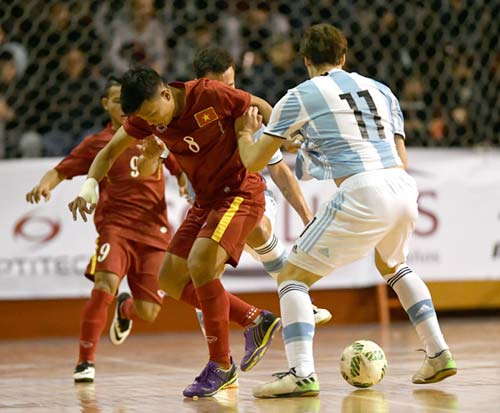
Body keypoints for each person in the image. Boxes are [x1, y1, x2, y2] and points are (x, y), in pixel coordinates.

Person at [234, 24, 457, 398]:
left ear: (306, 60)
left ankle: (301, 372)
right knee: (394, 266)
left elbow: (255, 161)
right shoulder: (382, 91)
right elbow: (399, 157)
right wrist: (312, 148)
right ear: (344, 56)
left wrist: (244, 134)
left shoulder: (300, 95)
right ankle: (438, 352)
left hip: (363, 191)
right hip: (403, 186)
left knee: (291, 277)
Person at [67, 66, 282, 398]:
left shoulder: (209, 94)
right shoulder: (146, 118)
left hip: (240, 193)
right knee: (168, 280)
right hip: (206, 202)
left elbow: (260, 104)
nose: (152, 124)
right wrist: (90, 186)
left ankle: (221, 366)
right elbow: (108, 152)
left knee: (200, 264)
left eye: (154, 114)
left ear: (166, 94)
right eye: (146, 120)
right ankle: (256, 319)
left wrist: (284, 134)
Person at [26, 76, 185, 384]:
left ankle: (126, 309)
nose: (124, 108)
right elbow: (61, 170)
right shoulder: (99, 144)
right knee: (104, 285)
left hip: (155, 229)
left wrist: (183, 181)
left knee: (150, 311)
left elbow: (178, 165)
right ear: (107, 104)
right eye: (116, 101)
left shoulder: (157, 130)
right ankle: (85, 362)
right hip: (116, 227)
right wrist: (44, 186)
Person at [192, 46, 331, 326]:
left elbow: (279, 169)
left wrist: (306, 216)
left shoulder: (246, 115)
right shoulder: (187, 117)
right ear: (201, 86)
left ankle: (301, 301)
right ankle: (222, 355)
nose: (229, 94)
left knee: (257, 225)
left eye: (232, 86)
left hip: (249, 195)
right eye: (221, 88)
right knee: (202, 277)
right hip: (210, 205)